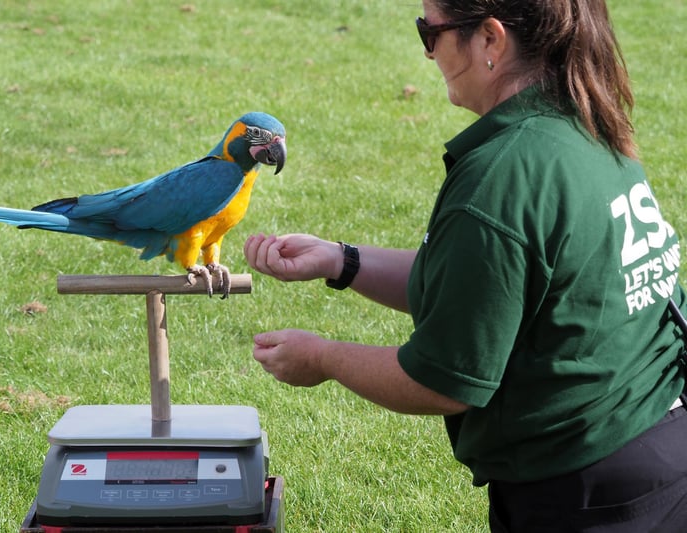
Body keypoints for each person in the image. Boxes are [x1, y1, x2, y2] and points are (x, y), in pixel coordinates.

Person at [243, 0, 687, 531]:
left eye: (429, 33)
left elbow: (443, 381)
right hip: (662, 445)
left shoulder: (501, 179)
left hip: (587, 491)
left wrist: (323, 357)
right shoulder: (585, 118)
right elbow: (488, 289)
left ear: (491, 40)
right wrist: (343, 261)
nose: (428, 52)